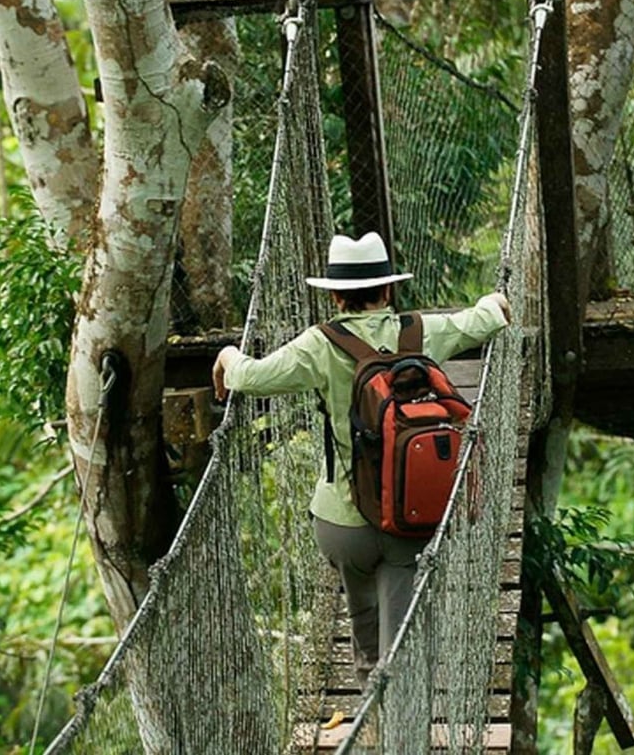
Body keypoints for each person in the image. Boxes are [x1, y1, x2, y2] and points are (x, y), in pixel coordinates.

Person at [212, 231, 510, 685]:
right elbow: (484, 320)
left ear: (334, 295)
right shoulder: (420, 331)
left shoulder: (319, 343)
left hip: (341, 528)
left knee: (361, 602)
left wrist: (229, 355)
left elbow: (251, 377)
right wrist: (495, 300)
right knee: (401, 635)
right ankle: (394, 697)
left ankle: (369, 671)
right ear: (388, 288)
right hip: (407, 519)